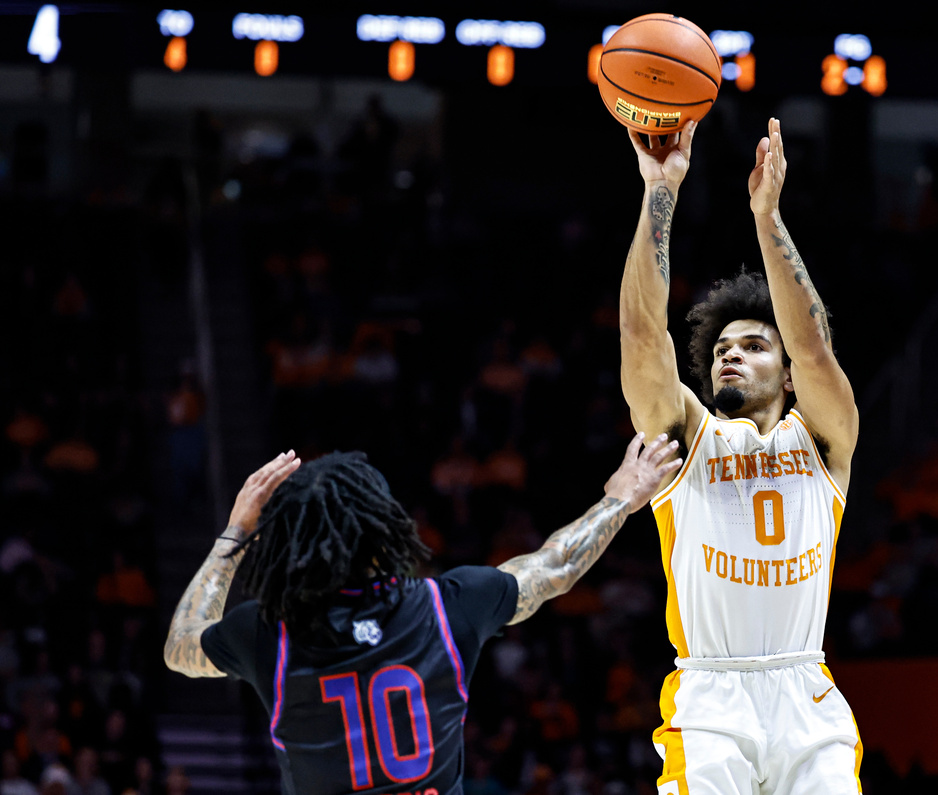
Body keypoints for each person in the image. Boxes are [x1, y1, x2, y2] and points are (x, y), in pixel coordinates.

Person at [164, 435, 681, 795]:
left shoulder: (267, 635)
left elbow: (181, 646)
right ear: (382, 529)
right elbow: (556, 566)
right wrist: (620, 498)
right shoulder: (446, 605)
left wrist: (235, 534)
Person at [618, 117, 861, 794]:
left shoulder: (824, 440)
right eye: (724, 347)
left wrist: (767, 216)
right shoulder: (688, 437)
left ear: (788, 377)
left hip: (807, 695)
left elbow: (813, 346)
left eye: (755, 346)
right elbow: (641, 335)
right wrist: (660, 191)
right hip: (711, 699)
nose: (732, 353)